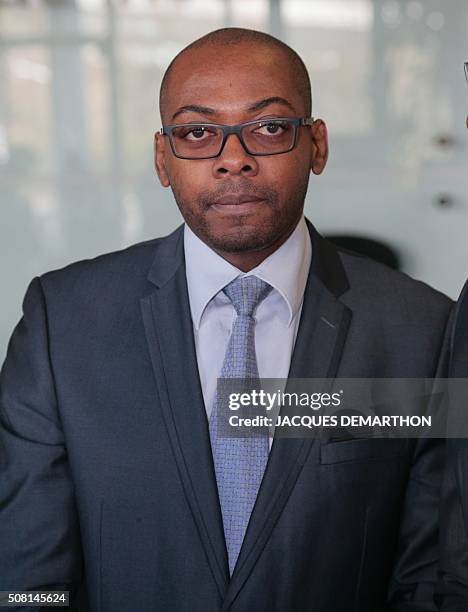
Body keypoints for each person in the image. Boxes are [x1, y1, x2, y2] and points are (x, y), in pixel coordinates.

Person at [0, 27, 453, 612]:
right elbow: (25, 584)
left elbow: (433, 579)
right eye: (197, 132)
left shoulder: (423, 330)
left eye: (268, 128)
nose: (232, 160)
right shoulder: (62, 324)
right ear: (163, 159)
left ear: (316, 145)